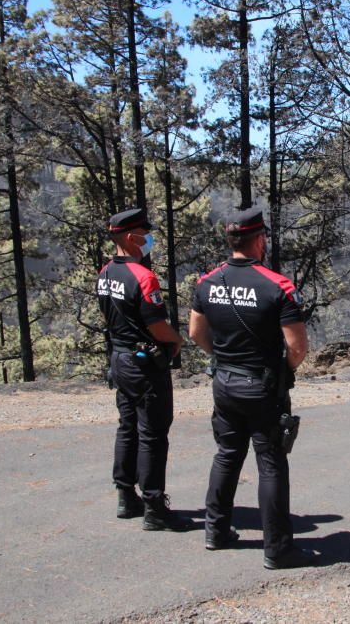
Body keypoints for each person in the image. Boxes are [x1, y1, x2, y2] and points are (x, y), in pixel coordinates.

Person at [189, 206, 316, 569]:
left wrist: (224, 358)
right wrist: (282, 372)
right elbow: (297, 347)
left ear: (232, 240)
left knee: (227, 454)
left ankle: (216, 532)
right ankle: (277, 549)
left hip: (225, 382)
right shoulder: (278, 286)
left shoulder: (207, 282)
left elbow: (196, 333)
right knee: (271, 463)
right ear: (258, 239)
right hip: (262, 386)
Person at [96, 207, 190, 532]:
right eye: (144, 233)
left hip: (120, 359)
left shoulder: (106, 272)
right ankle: (154, 506)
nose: (148, 239)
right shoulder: (143, 276)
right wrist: (176, 341)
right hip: (145, 363)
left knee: (127, 426)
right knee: (152, 433)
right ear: (130, 236)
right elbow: (156, 324)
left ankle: (126, 496)